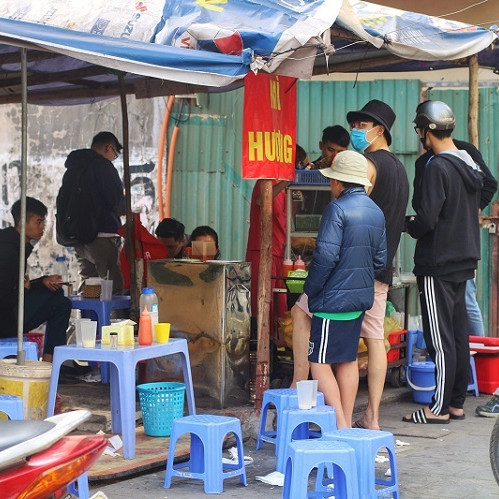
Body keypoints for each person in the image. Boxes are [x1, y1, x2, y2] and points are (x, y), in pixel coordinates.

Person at [292, 101, 409, 433]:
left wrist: (312, 289)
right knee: (369, 343)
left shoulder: (363, 173)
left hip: (342, 281)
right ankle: (369, 417)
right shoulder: (399, 170)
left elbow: (327, 256)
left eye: (362, 125)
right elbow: (383, 246)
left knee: (317, 347)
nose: (357, 131)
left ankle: (317, 408)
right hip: (373, 275)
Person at [404, 100, 483, 424]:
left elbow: (428, 218)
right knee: (458, 336)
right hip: (463, 259)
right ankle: (456, 404)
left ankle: (437, 409)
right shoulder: (468, 165)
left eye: (419, 129)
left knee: (440, 338)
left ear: (426, 130)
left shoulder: (437, 166)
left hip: (438, 262)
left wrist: (409, 224)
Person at [305, 150, 387, 429]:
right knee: (346, 359)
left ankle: (340, 424)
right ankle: (347, 423)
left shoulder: (337, 209)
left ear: (339, 182)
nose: (331, 185)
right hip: (358, 300)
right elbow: (380, 260)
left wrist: (311, 289)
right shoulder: (376, 212)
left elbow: (325, 258)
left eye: (332, 180)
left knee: (318, 361)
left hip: (332, 301)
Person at [414, 138, 497, 337]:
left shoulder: (464, 151)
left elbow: (490, 183)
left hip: (460, 243)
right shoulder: (423, 161)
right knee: (445, 312)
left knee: (467, 302)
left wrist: (470, 210)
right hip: (436, 244)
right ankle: (457, 354)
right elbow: (420, 202)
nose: (420, 134)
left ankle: (478, 354)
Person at [0, 197, 71, 362]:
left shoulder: (15, 243)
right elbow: (5, 296)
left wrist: (41, 282)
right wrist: (26, 288)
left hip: (9, 310)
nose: (42, 228)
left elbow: (14, 286)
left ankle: (49, 363)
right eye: (38, 222)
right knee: (60, 303)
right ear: (22, 222)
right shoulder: (8, 250)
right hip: (5, 319)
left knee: (59, 298)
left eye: (43, 222)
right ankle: (49, 364)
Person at [58, 131, 125, 294]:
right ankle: (113, 320)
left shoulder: (73, 168)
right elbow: (115, 200)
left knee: (89, 284)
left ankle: (88, 319)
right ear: (109, 147)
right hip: (102, 234)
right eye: (114, 155)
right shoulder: (103, 166)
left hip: (78, 236)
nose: (112, 159)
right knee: (112, 285)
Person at [245, 179, 288, 319]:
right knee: (263, 303)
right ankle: (262, 339)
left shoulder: (287, 190)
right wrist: (285, 182)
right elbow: (261, 201)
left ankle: (279, 339)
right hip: (261, 249)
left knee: (280, 304)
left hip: (280, 252)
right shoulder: (265, 182)